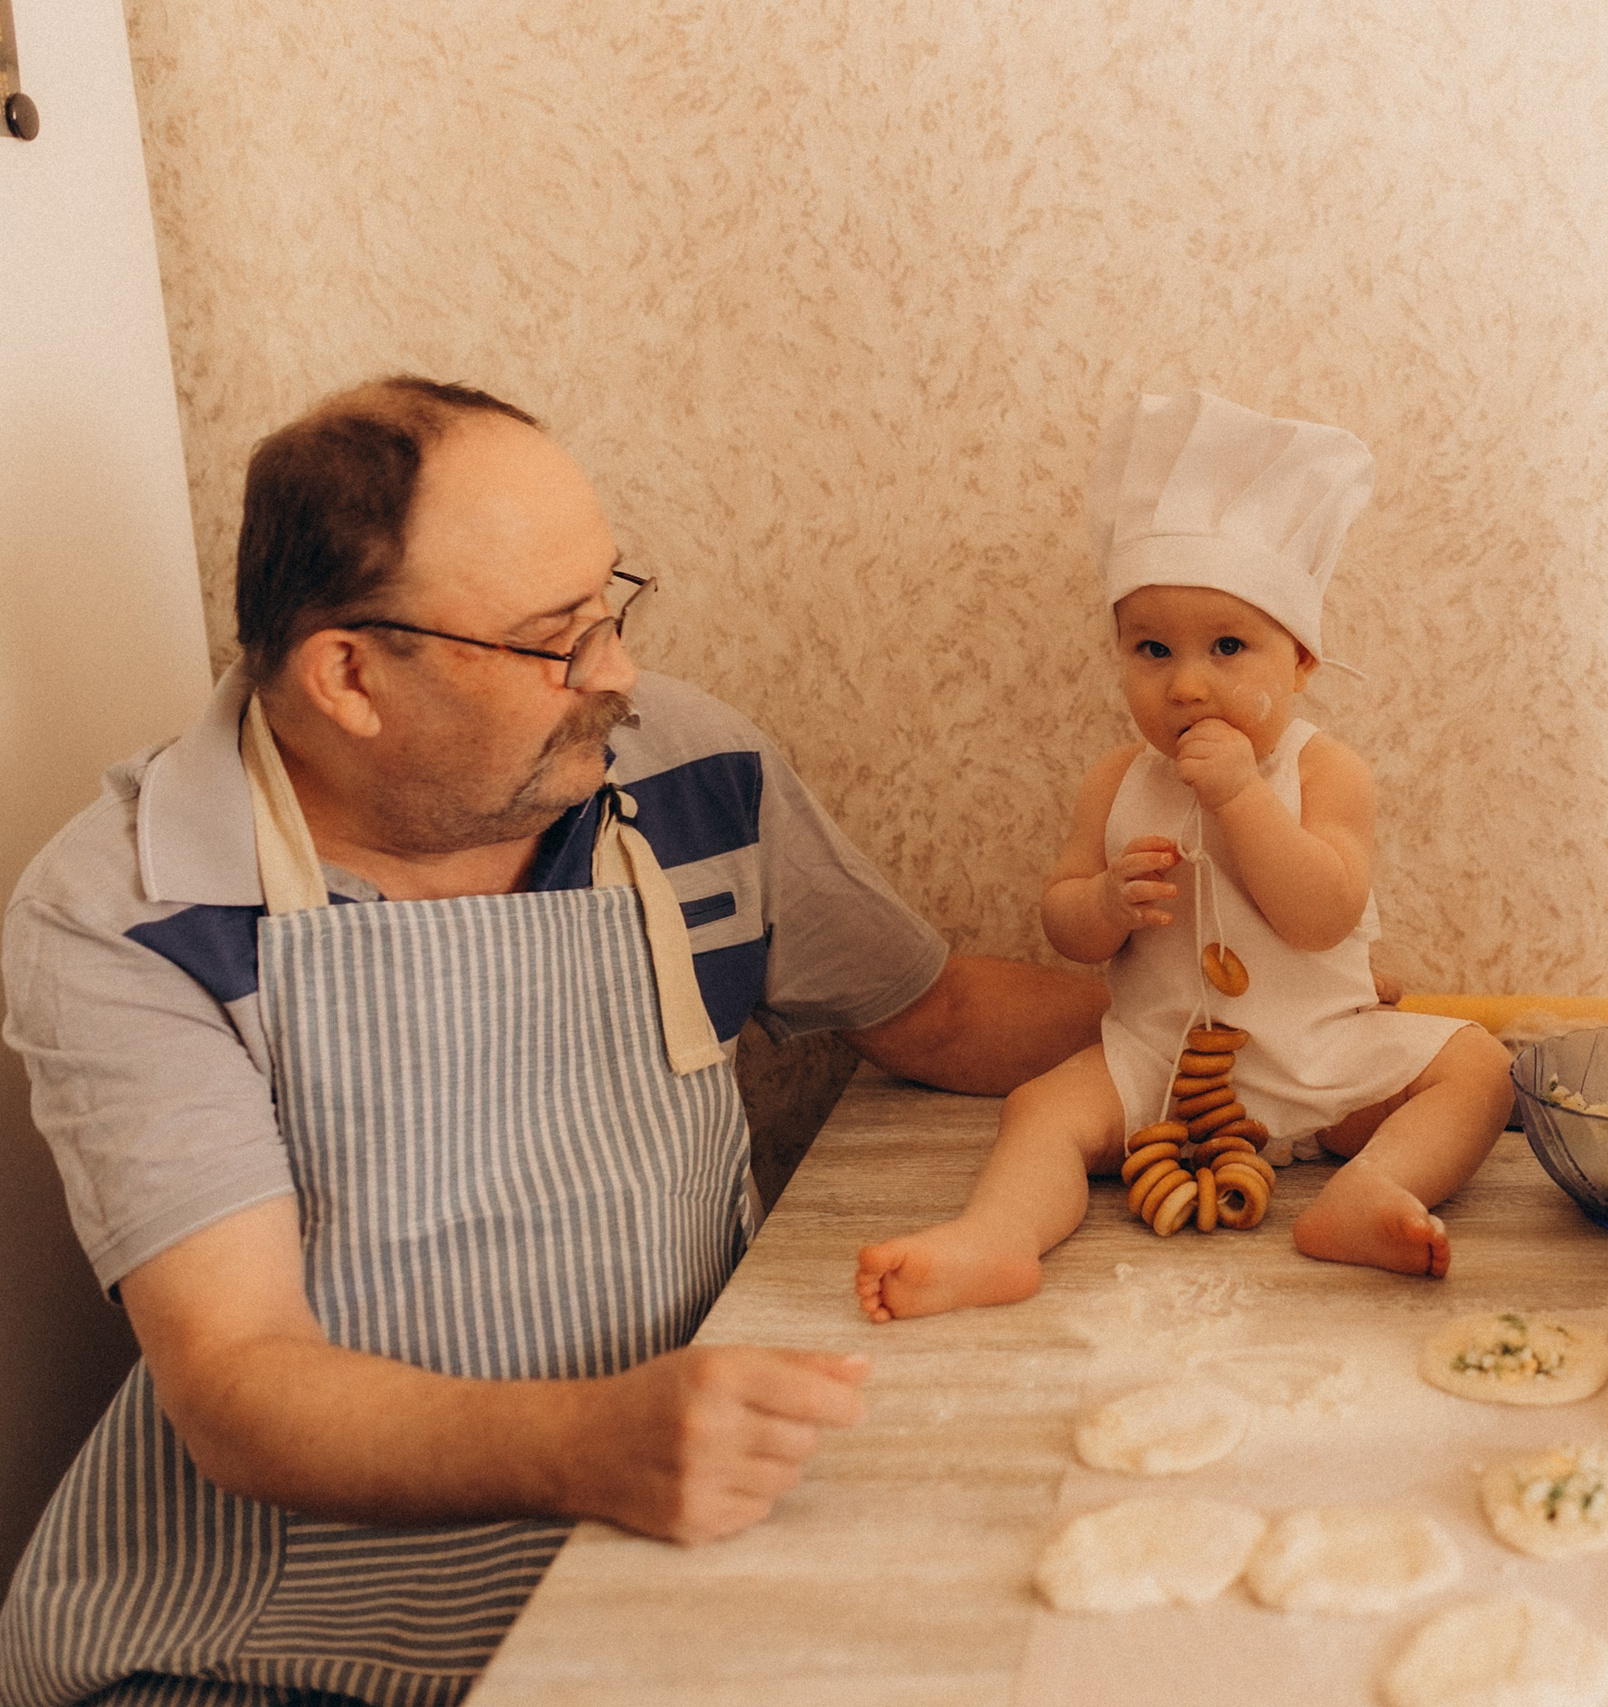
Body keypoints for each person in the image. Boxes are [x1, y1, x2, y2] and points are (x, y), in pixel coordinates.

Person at [0, 377, 1107, 1707]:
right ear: (348, 674)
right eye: (553, 642)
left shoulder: (687, 770)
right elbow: (240, 1379)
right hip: (261, 1627)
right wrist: (591, 1439)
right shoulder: (131, 905)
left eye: (609, 608)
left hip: (642, 1550)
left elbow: (938, 1014)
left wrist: (1288, 1031)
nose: (618, 674)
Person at [857, 390, 1515, 1320]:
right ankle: (998, 1237)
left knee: (1479, 1067)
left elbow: (1321, 912)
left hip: (1319, 1053)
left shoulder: (1326, 772)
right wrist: (1107, 905)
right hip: (1160, 1058)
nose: (1188, 681)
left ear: (1299, 663)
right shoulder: (1118, 779)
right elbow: (1064, 923)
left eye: (1229, 646)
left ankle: (1369, 1191)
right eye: (1153, 649)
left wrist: (1244, 798)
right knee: (1039, 1112)